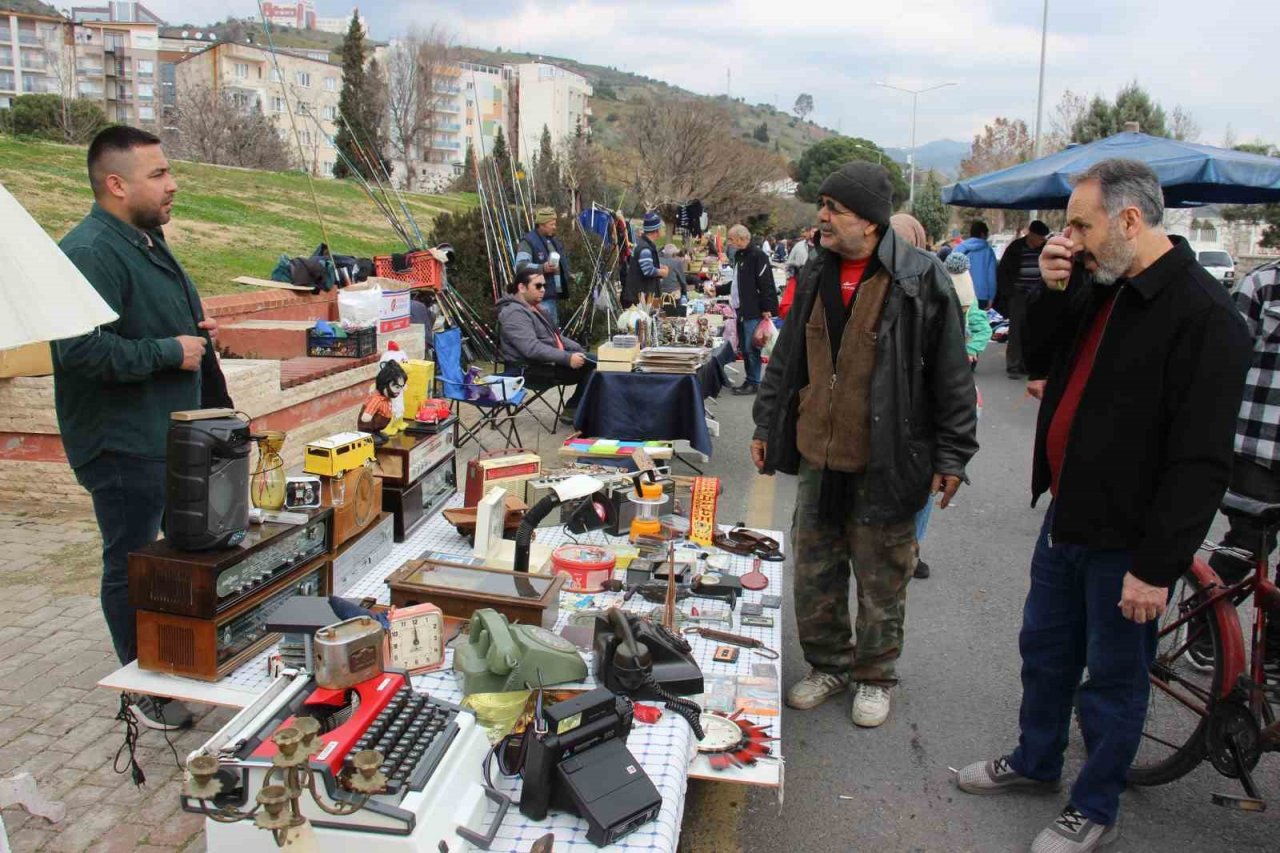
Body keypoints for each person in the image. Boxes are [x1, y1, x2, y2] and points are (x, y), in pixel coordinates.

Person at [954, 159, 1251, 852]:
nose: (1072, 239)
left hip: (1130, 535)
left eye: (1082, 225)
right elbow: (1039, 357)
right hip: (1070, 512)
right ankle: (1035, 760)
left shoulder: (1207, 317)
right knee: (1046, 650)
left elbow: (1201, 462)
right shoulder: (1103, 283)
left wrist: (1156, 567)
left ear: (1129, 219)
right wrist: (1056, 289)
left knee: (1114, 679)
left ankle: (1095, 805)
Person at [752, 162, 977, 727]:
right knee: (814, 571)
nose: (822, 217)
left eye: (836, 208)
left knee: (882, 575)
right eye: (822, 205)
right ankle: (828, 664)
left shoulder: (920, 278)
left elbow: (951, 375)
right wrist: (766, 425)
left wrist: (952, 454)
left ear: (871, 222)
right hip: (818, 456)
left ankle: (875, 676)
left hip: (888, 458)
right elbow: (787, 360)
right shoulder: (813, 272)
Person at [54, 125, 232, 730]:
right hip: (121, 441)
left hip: (163, 432)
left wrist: (194, 336)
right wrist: (166, 351)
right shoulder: (90, 252)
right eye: (157, 174)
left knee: (166, 557)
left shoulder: (142, 240)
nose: (172, 183)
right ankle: (144, 684)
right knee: (129, 561)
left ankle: (176, 657)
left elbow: (151, 324)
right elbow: (76, 351)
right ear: (114, 183)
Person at [1207, 258, 1280, 666]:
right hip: (1259, 446)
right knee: (1248, 544)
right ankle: (1205, 625)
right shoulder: (1263, 284)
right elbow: (1224, 361)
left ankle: (1273, 651)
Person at [497, 265, 593, 422]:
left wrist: (577, 349)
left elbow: (555, 338)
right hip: (528, 370)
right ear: (521, 287)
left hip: (546, 363)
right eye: (538, 286)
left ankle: (577, 408)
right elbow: (531, 349)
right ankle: (573, 409)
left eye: (544, 286)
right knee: (596, 368)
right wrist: (567, 358)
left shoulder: (534, 308)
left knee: (598, 362)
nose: (543, 290)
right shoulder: (513, 313)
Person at [717, 224, 778, 396]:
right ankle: (750, 380)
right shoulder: (740, 255)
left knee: (752, 347)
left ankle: (754, 381)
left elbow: (766, 283)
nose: (729, 242)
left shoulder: (758, 256)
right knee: (745, 347)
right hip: (741, 308)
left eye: (731, 239)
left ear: (743, 238)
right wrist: (719, 289)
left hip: (754, 309)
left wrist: (767, 308)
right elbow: (737, 282)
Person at [995, 220, 1050, 379]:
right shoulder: (1015, 248)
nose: (1041, 241)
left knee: (1034, 331)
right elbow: (1004, 272)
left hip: (1039, 295)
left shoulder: (1045, 248)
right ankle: (1013, 365)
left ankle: (1028, 364)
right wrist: (1009, 293)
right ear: (1030, 234)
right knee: (1016, 332)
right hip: (1018, 295)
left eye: (1043, 238)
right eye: (1039, 238)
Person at [515, 206, 570, 328]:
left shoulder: (552, 240)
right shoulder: (528, 242)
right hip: (540, 299)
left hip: (553, 295)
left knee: (553, 331)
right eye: (552, 224)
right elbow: (520, 266)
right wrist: (542, 268)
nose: (554, 227)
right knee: (545, 331)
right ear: (542, 224)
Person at [622, 212, 667, 307]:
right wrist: (662, 272)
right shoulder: (645, 248)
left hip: (640, 295)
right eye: (661, 227)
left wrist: (658, 267)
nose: (662, 230)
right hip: (640, 298)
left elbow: (641, 265)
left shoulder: (641, 243)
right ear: (656, 230)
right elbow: (647, 270)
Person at [952, 220, 998, 309]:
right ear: (982, 234)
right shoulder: (988, 251)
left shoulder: (958, 249)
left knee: (962, 322)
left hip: (960, 295)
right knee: (978, 322)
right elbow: (991, 277)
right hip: (981, 296)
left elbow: (951, 272)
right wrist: (991, 298)